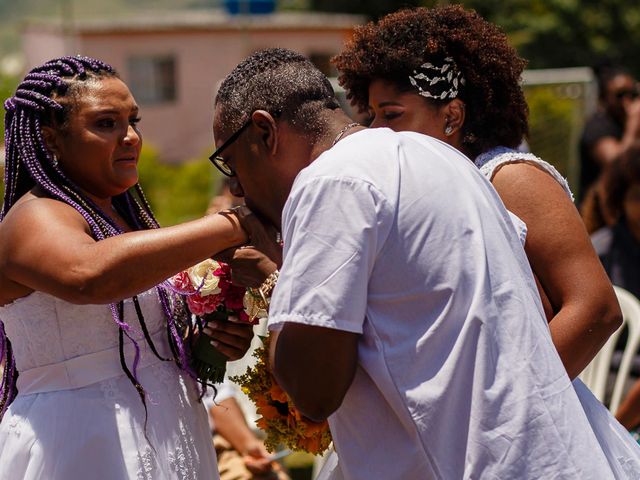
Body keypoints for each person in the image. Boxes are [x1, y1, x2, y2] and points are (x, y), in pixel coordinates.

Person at [211, 46, 636, 479]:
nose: (237, 189)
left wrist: (275, 281)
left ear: (264, 132)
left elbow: (313, 390)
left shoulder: (329, 182)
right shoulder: (440, 157)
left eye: (230, 162)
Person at [332, 6, 640, 476]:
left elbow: (595, 307)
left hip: (522, 441)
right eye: (370, 114)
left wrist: (500, 411)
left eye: (392, 114)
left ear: (452, 114)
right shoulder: (401, 196)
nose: (376, 131)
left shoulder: (507, 178)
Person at [0, 56, 258, 479]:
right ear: (50, 139)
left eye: (133, 121)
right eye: (106, 124)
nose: (131, 137)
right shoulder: (33, 217)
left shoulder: (122, 219)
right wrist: (234, 224)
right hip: (82, 439)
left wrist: (209, 340)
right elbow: (90, 277)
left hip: (168, 428)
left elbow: (139, 338)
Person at [579, 62, 640, 205]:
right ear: (603, 99)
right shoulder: (597, 126)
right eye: (620, 95)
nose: (627, 100)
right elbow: (616, 167)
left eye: (632, 94)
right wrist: (633, 124)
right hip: (599, 218)